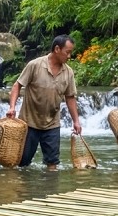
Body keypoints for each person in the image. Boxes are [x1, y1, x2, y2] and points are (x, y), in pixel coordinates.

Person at [7, 35, 81, 171]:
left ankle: (50, 184)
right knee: (22, 163)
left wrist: (76, 121)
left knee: (52, 163)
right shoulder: (35, 65)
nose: (69, 56)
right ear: (57, 49)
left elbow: (70, 97)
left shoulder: (68, 72)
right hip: (29, 123)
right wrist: (12, 107)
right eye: (67, 52)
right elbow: (17, 85)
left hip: (52, 124)